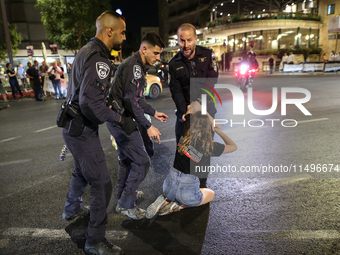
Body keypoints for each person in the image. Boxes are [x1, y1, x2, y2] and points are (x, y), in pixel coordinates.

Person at [61, 10, 126, 255]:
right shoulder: (99, 59)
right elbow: (90, 103)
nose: (123, 37)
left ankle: (71, 209)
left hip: (71, 125)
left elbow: (84, 94)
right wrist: (118, 118)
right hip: (81, 129)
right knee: (102, 184)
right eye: (122, 32)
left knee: (80, 170)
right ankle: (94, 241)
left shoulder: (85, 50)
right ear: (109, 31)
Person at [107, 32, 168, 220]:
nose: (158, 58)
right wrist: (147, 126)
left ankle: (124, 195)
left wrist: (153, 112)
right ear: (144, 49)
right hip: (121, 121)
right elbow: (131, 100)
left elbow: (139, 98)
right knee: (142, 161)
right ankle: (126, 204)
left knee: (126, 160)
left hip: (118, 119)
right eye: (156, 53)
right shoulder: (134, 66)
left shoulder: (137, 65)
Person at [146, 103, 237, 218]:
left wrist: (194, 108)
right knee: (210, 194)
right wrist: (217, 130)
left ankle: (167, 199)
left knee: (175, 188)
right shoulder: (209, 146)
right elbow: (233, 146)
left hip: (169, 184)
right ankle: (178, 206)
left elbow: (191, 107)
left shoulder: (184, 133)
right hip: (186, 191)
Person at [168, 23, 218, 189]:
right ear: (178, 40)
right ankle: (186, 183)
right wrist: (185, 109)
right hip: (185, 113)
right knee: (184, 149)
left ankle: (202, 185)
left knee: (203, 151)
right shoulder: (174, 63)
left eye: (189, 40)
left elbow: (212, 82)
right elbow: (176, 91)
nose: (186, 45)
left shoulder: (208, 55)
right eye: (182, 41)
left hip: (205, 111)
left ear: (196, 39)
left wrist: (198, 103)